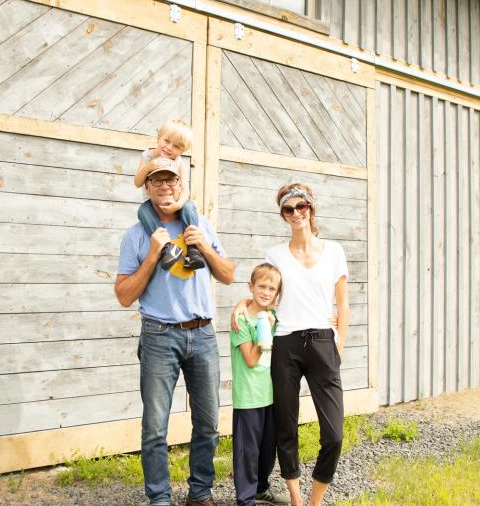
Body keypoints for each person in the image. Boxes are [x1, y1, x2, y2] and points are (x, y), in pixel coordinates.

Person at [116, 161, 235, 506]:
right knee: (155, 426)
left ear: (180, 184)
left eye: (171, 179)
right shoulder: (136, 235)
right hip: (159, 336)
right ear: (148, 188)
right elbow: (124, 295)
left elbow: (228, 275)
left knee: (209, 423)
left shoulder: (200, 224)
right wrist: (153, 255)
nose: (165, 186)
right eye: (157, 181)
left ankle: (200, 494)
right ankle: (159, 498)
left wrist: (206, 247)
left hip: (203, 336)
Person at [232, 183, 349, 506]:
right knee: (286, 426)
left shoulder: (334, 251)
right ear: (282, 215)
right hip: (285, 344)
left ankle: (316, 501)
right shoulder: (275, 255)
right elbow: (264, 291)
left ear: (311, 209)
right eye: (289, 209)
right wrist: (243, 302)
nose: (296, 213)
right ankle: (297, 498)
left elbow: (344, 305)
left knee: (334, 434)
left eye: (301, 207)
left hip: (324, 343)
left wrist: (337, 349)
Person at [230, 264, 289, 506]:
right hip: (249, 397)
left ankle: (261, 489)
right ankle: (245, 499)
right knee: (248, 452)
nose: (266, 292)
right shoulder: (241, 320)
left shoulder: (274, 318)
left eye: (272, 288)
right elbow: (251, 359)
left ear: (277, 294)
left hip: (270, 395)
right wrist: (264, 333)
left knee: (267, 451)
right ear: (251, 287)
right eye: (261, 286)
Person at [133, 119, 206, 270]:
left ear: (182, 151)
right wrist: (149, 167)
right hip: (153, 204)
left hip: (174, 201)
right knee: (143, 211)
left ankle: (193, 251)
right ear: (158, 137)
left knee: (189, 206)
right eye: (166, 141)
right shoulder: (147, 156)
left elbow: (185, 190)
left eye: (176, 146)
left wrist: (178, 204)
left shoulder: (179, 162)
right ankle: (169, 248)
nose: (169, 148)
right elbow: (138, 182)